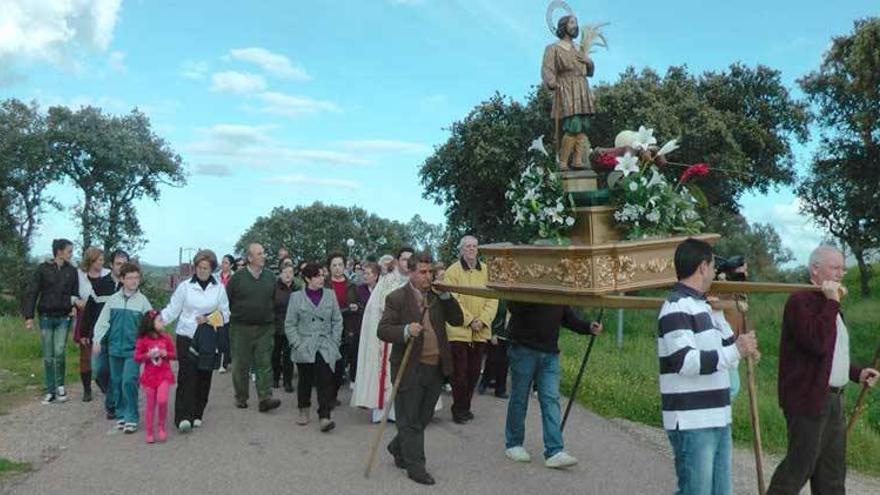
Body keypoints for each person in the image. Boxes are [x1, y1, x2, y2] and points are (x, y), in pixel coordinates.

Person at [767, 245, 880, 495]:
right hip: (808, 400)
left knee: (832, 473)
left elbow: (831, 354)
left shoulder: (832, 305)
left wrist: (856, 373)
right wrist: (831, 303)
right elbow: (816, 343)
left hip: (834, 400)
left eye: (842, 268)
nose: (841, 273)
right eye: (835, 267)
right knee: (800, 466)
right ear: (815, 269)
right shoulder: (800, 302)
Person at [657, 238, 759, 494]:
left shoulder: (704, 307)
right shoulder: (676, 307)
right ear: (702, 267)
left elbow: (727, 352)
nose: (715, 272)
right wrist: (736, 349)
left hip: (718, 416)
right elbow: (686, 362)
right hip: (692, 421)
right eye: (713, 266)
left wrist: (724, 322)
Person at [378, 252, 464, 486]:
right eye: (423, 272)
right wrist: (405, 330)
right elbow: (383, 330)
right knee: (411, 420)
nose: (428, 277)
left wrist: (447, 295)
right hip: (409, 367)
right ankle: (416, 467)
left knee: (423, 417)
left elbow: (457, 320)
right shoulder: (396, 298)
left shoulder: (438, 297)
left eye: (430, 272)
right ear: (411, 272)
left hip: (435, 366)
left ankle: (397, 447)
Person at [503, 298, 602, 468]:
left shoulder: (559, 289)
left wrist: (587, 327)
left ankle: (554, 451)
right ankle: (513, 444)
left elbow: (567, 317)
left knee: (551, 399)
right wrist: (537, 291)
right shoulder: (528, 280)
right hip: (523, 348)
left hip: (549, 353)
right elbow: (514, 305)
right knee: (519, 398)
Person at [160, 249, 230, 432]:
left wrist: (208, 318)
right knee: (186, 375)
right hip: (187, 336)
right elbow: (172, 309)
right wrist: (159, 321)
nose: (202, 271)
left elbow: (226, 314)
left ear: (212, 269)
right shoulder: (185, 287)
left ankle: (198, 412)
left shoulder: (219, 288)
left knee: (204, 376)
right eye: (199, 267)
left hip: (208, 337)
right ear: (195, 267)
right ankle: (183, 416)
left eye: (206, 268)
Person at [351, 247, 414, 422]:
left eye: (410, 259)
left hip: (411, 333)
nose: (407, 263)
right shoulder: (386, 281)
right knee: (386, 373)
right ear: (397, 261)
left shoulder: (416, 281)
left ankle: (407, 410)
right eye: (403, 259)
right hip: (389, 336)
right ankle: (384, 410)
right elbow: (375, 309)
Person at [92, 262, 153, 434]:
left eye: (136, 277)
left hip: (134, 349)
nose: (134, 281)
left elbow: (150, 325)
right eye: (130, 278)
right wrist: (97, 340)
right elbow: (103, 322)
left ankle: (132, 417)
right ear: (122, 279)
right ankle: (121, 415)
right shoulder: (113, 300)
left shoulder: (143, 302)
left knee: (129, 381)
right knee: (116, 382)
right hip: (114, 349)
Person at [444, 235, 498, 423]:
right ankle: (459, 410)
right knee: (459, 374)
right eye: (467, 246)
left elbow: (493, 298)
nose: (471, 249)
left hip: (480, 332)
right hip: (458, 330)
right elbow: (453, 299)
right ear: (461, 249)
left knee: (474, 373)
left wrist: (482, 320)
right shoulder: (452, 271)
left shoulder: (487, 272)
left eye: (474, 246)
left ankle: (464, 406)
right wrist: (469, 319)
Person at [286, 262, 343, 432]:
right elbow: (290, 323)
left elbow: (337, 320)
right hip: (304, 343)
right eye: (317, 276)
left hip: (325, 343)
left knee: (325, 379)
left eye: (322, 275)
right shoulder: (296, 297)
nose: (321, 278)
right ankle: (303, 409)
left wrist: (334, 342)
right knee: (305, 379)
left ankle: (324, 416)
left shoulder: (330, 295)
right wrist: (297, 343)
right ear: (307, 278)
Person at [23, 238, 82, 405]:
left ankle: (61, 386)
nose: (71, 254)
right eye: (69, 251)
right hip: (46, 317)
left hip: (63, 316)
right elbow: (33, 292)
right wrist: (29, 316)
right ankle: (50, 390)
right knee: (48, 356)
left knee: (60, 351)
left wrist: (74, 307)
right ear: (59, 251)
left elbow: (75, 293)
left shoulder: (72, 271)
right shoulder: (43, 269)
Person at [226, 243, 281, 413]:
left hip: (265, 327)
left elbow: (275, 300)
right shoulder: (237, 279)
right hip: (240, 328)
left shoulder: (271, 278)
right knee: (240, 364)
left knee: (264, 363)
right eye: (259, 253)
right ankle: (241, 397)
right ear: (250, 258)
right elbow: (227, 301)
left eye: (263, 253)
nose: (263, 256)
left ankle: (265, 398)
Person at [542, 14, 596, 170]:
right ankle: (564, 161)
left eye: (576, 23)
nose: (575, 26)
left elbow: (588, 72)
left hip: (581, 88)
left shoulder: (579, 49)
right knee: (573, 125)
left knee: (583, 126)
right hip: (566, 88)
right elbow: (547, 68)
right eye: (572, 23)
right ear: (563, 26)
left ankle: (577, 160)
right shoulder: (553, 48)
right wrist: (551, 81)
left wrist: (589, 62)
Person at [73, 247, 111, 402]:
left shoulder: (107, 275)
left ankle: (102, 380)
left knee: (101, 355)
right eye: (99, 260)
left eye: (103, 260)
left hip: (101, 314)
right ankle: (86, 388)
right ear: (91, 261)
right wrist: (75, 302)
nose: (101, 263)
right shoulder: (79, 276)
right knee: (85, 354)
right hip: (85, 315)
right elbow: (72, 292)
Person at [133, 310, 176, 444]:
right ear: (151, 324)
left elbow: (174, 354)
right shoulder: (143, 340)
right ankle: (150, 431)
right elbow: (137, 357)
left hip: (164, 374)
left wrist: (165, 353)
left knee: (162, 400)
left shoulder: (166, 338)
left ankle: (161, 427)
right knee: (150, 404)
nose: (162, 322)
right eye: (159, 320)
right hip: (150, 377)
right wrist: (147, 356)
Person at [93, 249, 129, 398]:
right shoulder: (100, 284)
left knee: (118, 372)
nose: (121, 267)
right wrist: (86, 333)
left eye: (124, 264)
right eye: (118, 263)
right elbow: (91, 310)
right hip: (103, 336)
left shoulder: (131, 287)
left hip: (121, 336)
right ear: (111, 265)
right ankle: (109, 392)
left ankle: (114, 401)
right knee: (100, 370)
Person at [326, 252, 360, 393]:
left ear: (345, 266)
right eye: (334, 265)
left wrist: (356, 306)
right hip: (329, 325)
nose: (338, 268)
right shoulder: (325, 284)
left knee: (347, 354)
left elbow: (358, 303)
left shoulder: (352, 285)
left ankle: (348, 380)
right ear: (329, 268)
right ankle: (328, 389)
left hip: (348, 325)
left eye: (340, 264)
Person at [349, 262, 380, 385]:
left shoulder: (380, 289)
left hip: (376, 327)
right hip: (360, 326)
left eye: (368, 273)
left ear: (376, 275)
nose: (365, 276)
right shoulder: (358, 289)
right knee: (357, 353)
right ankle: (354, 378)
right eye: (364, 273)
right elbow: (355, 304)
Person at [478, 300, 510, 399]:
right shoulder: (500, 299)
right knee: (492, 360)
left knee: (504, 363)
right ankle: (484, 382)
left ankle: (500, 389)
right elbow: (492, 314)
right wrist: (493, 333)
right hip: (497, 332)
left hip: (509, 335)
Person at [272, 263, 296, 393]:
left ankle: (288, 381)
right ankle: (275, 378)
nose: (288, 275)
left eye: (291, 272)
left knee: (289, 356)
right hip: (276, 326)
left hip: (291, 327)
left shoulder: (296, 289)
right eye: (285, 272)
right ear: (280, 273)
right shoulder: (274, 287)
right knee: (275, 354)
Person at [216, 254, 236, 373]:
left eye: (226, 263)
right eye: (222, 262)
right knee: (220, 336)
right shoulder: (215, 277)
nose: (223, 265)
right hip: (217, 310)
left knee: (228, 336)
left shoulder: (235, 277)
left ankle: (226, 361)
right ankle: (220, 363)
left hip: (231, 310)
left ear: (231, 265)